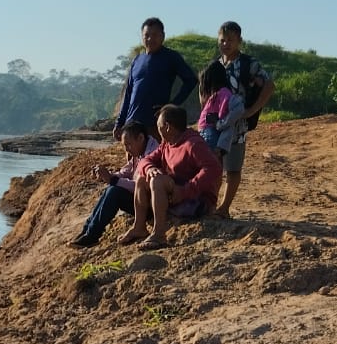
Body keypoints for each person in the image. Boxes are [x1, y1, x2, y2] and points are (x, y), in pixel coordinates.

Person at [118, 104, 223, 249]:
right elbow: (145, 161)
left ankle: (159, 234)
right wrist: (150, 169)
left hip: (197, 201)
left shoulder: (193, 144)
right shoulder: (167, 144)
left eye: (159, 125)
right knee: (143, 178)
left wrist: (186, 190)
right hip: (176, 196)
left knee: (157, 181)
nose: (157, 129)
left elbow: (214, 168)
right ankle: (139, 226)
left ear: (167, 126)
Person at [214, 20, 275, 217]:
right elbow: (204, 91)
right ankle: (210, 205)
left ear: (239, 40)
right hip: (215, 124)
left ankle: (224, 208)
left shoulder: (250, 64)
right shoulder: (216, 66)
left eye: (230, 40)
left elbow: (269, 86)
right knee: (213, 165)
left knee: (232, 167)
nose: (226, 44)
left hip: (237, 126)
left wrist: (252, 110)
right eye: (223, 40)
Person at [70, 121, 159, 248]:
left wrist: (113, 180)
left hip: (151, 205)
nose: (127, 149)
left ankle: (92, 236)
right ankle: (87, 230)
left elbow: (140, 186)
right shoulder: (140, 151)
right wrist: (110, 176)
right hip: (141, 201)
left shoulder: (152, 154)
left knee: (114, 192)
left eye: (128, 144)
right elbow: (127, 170)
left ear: (140, 138)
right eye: (125, 145)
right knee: (111, 189)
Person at [114, 18, 199, 141]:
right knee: (133, 161)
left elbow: (191, 80)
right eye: (146, 35)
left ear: (162, 36)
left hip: (154, 125)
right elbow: (128, 94)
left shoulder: (171, 57)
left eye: (154, 35)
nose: (150, 39)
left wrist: (171, 106)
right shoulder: (137, 60)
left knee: (154, 160)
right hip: (132, 125)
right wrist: (119, 123)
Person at [196, 60, 243, 161]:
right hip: (208, 132)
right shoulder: (220, 94)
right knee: (212, 164)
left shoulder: (222, 94)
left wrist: (220, 123)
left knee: (208, 164)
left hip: (209, 133)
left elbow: (234, 111)